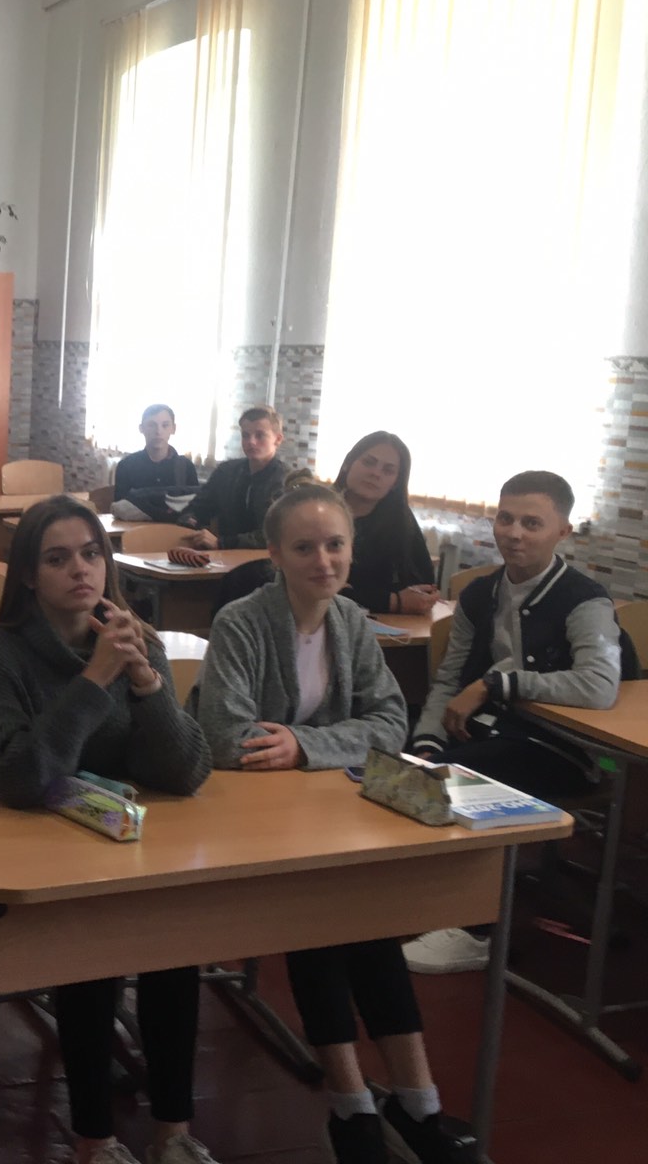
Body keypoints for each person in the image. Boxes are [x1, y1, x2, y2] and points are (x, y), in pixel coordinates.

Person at [194, 484, 470, 1164]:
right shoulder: (241, 622)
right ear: (275, 555)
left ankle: (417, 1102)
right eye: (304, 547)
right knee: (320, 921)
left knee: (368, 919)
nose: (324, 560)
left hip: (329, 814)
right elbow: (228, 737)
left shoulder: (350, 620)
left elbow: (391, 722)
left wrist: (302, 744)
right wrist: (314, 746)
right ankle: (352, 1105)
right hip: (250, 822)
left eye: (336, 545)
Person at [0, 494, 215, 1164]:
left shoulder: (136, 639)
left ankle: (174, 1132)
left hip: (114, 843)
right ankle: (93, 1138)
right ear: (28, 575)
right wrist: (96, 678)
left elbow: (185, 772)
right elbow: (20, 778)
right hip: (23, 850)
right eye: (57, 558)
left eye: (90, 553)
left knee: (174, 943)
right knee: (90, 950)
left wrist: (145, 683)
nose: (80, 569)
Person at [402, 470, 630, 974]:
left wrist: (498, 684)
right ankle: (414, 897)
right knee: (400, 757)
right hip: (494, 729)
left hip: (568, 748)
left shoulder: (584, 599)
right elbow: (450, 679)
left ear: (562, 531)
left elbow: (598, 685)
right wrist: (427, 742)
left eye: (532, 523)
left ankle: (475, 929)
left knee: (461, 782)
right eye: (505, 519)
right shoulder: (481, 594)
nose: (514, 533)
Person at [334, 432, 437, 616]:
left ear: (395, 483)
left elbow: (425, 588)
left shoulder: (401, 519)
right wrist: (393, 600)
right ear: (347, 464)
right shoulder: (319, 511)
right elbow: (317, 587)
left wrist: (357, 593)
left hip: (392, 626)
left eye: (388, 470)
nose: (375, 473)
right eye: (368, 462)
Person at [173, 406, 289, 559]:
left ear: (278, 439)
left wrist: (222, 543)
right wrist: (190, 521)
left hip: (267, 563)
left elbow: (275, 534)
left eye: (260, 435)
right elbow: (199, 507)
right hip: (223, 559)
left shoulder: (286, 481)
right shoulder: (226, 472)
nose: (251, 442)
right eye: (245, 435)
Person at [113, 404, 199, 501]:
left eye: (165, 425)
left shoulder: (186, 467)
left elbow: (195, 506)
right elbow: (119, 507)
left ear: (173, 429)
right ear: (141, 428)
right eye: (151, 425)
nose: (158, 431)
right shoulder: (126, 466)